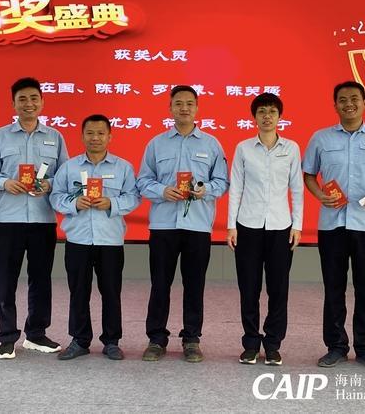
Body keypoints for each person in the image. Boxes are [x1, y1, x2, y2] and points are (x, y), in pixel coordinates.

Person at [302, 81, 365, 370]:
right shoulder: (321, 138)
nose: (349, 104)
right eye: (343, 99)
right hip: (332, 225)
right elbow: (309, 175)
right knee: (334, 289)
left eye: (355, 98)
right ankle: (336, 346)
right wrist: (319, 194)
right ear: (335, 105)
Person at [136, 85, 229, 363]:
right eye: (178, 103)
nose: (184, 108)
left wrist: (205, 190)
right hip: (163, 225)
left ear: (197, 108)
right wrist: (162, 191)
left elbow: (222, 181)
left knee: (194, 284)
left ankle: (191, 338)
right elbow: (143, 181)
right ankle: (156, 339)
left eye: (189, 103)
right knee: (160, 284)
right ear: (170, 108)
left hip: (197, 225)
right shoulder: (156, 144)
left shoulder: (211, 144)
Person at [0, 77, 69, 359]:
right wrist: (5, 183)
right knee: (6, 280)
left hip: (43, 219)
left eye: (33, 98)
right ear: (13, 104)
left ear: (42, 102)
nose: (28, 104)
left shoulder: (55, 137)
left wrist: (49, 184)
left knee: (41, 279)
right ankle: (7, 336)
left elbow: (66, 175)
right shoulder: (0, 136)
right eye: (22, 99)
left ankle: (36, 334)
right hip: (8, 219)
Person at [49, 114, 139, 360]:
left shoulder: (123, 167)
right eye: (90, 133)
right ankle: (79, 340)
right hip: (78, 239)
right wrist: (74, 203)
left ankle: (111, 341)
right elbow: (55, 197)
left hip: (110, 240)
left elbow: (133, 197)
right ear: (82, 136)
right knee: (78, 291)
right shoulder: (69, 167)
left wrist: (112, 203)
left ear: (110, 136)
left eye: (101, 133)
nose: (95, 138)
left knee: (111, 292)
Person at [226, 93, 303, 366]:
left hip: (281, 227)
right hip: (248, 226)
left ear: (280, 116)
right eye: (261, 112)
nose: (267, 116)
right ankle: (250, 343)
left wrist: (298, 225)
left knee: (278, 289)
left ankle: (272, 344)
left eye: (272, 111)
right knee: (249, 288)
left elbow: (297, 188)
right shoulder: (244, 148)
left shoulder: (291, 148)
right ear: (254, 117)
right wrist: (231, 225)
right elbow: (236, 188)